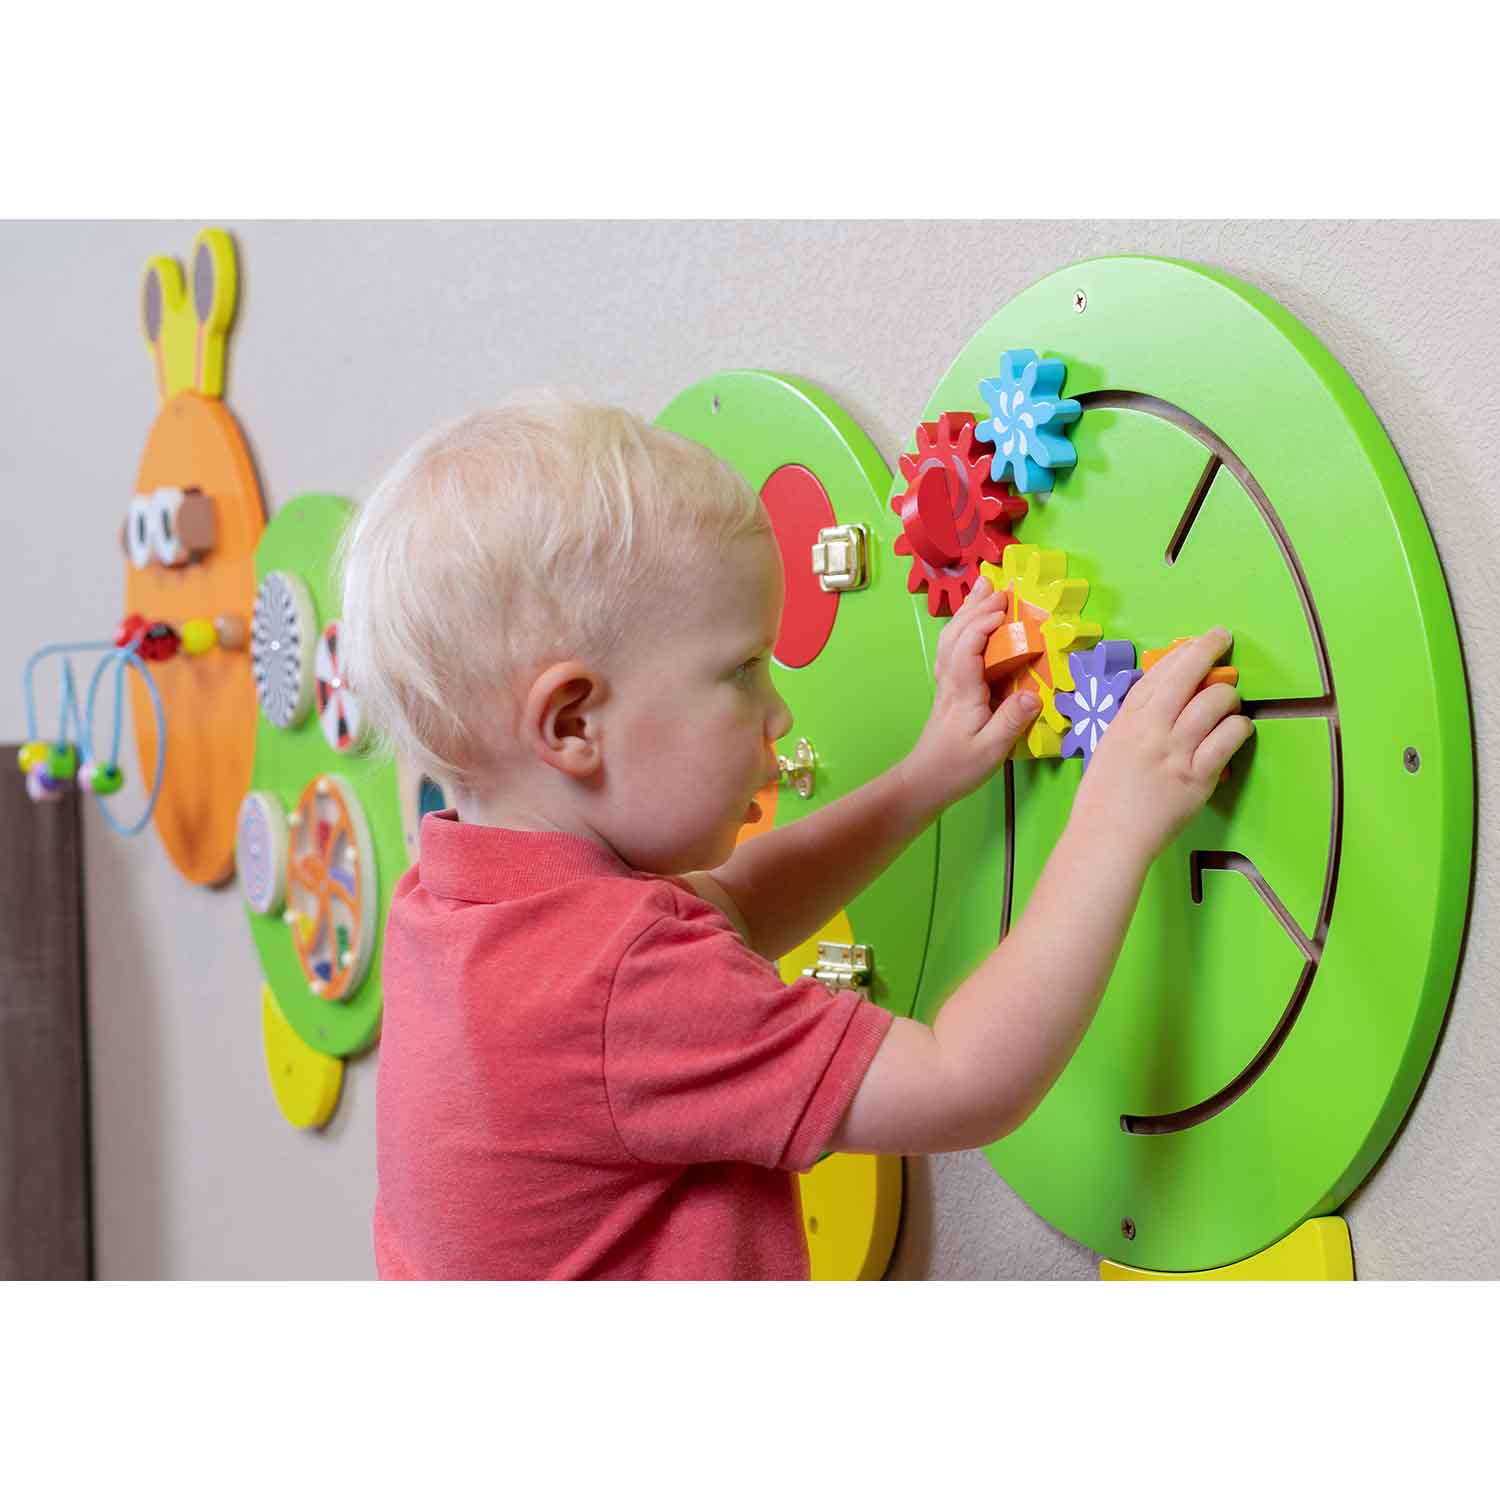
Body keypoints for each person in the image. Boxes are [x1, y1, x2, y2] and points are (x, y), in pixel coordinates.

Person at [338, 397, 1252, 1279]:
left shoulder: (462, 911)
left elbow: (733, 905)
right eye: (741, 671)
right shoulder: (612, 986)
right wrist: (1114, 819)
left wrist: (926, 777)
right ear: (574, 723)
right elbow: (963, 1080)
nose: (777, 713)